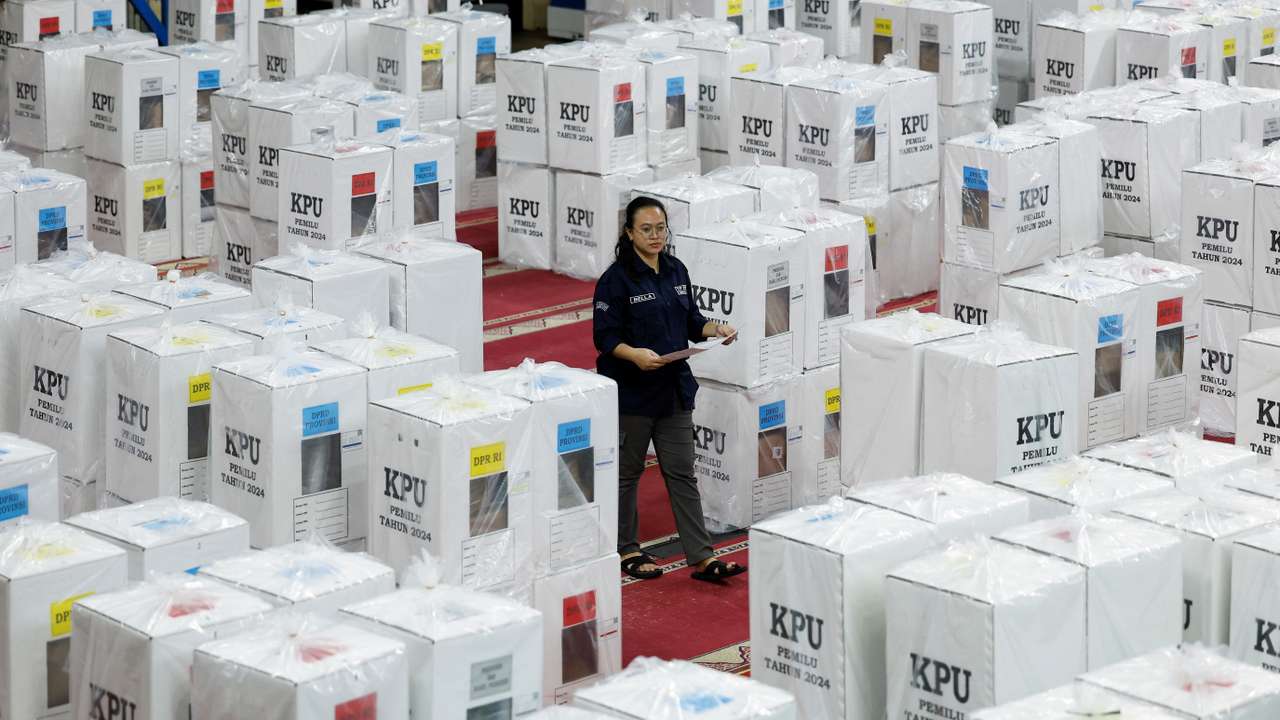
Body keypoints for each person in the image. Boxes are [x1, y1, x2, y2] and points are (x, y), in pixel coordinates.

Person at [592, 196, 748, 584]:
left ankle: (702, 556)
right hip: (632, 391)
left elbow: (692, 321)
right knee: (627, 474)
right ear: (629, 233)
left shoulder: (676, 269)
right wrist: (635, 356)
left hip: (674, 389)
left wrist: (716, 330)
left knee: (682, 474)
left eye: (660, 228)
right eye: (646, 229)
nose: (655, 235)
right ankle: (627, 548)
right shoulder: (615, 281)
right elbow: (604, 338)